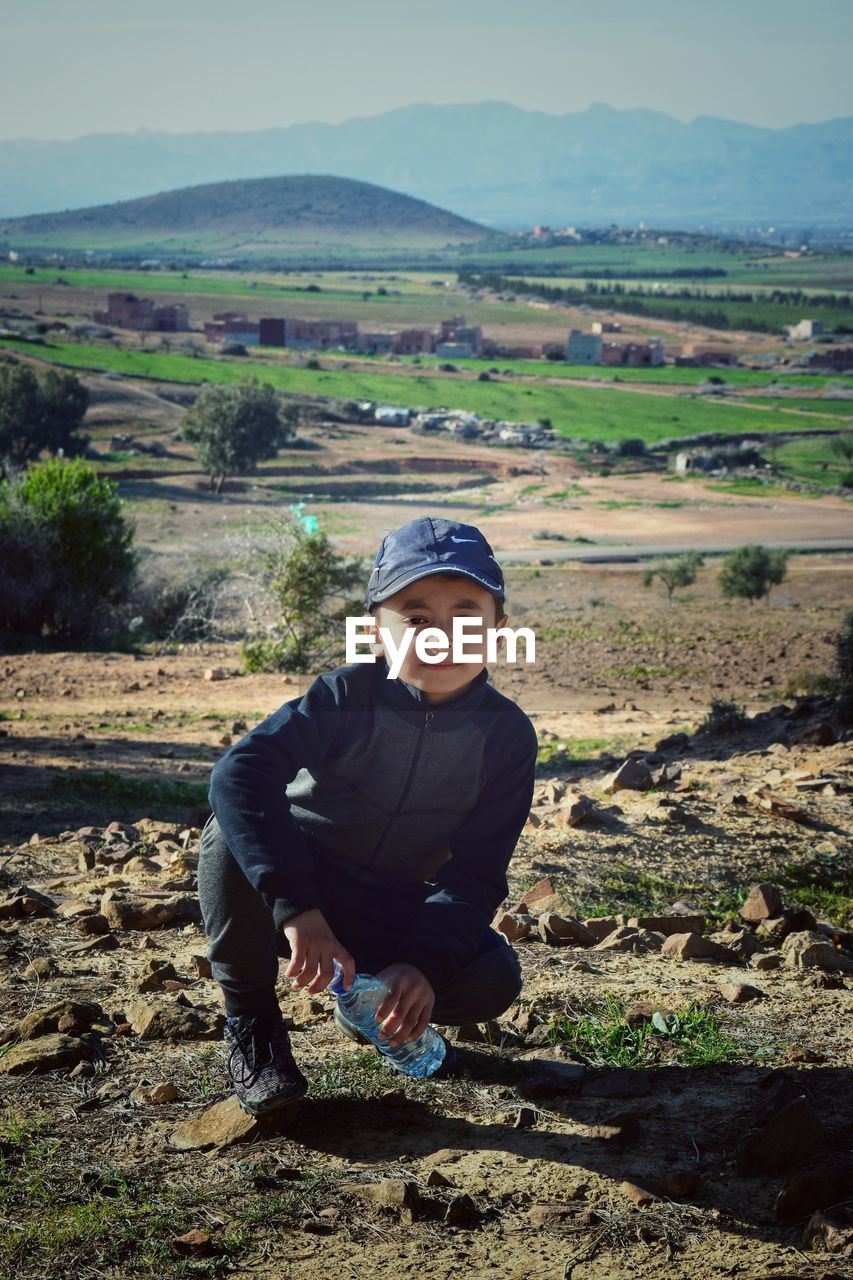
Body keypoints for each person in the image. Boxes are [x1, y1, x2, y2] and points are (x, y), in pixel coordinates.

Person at [197, 515, 538, 1116]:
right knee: (228, 835)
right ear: (376, 631)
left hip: (387, 903)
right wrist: (298, 909)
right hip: (292, 891)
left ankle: (374, 1010)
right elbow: (240, 773)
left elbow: (477, 875)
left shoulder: (506, 737)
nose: (442, 638)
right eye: (416, 618)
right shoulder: (345, 697)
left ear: (499, 630)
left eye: (466, 617)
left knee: (494, 978)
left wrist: (422, 964)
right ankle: (253, 1027)